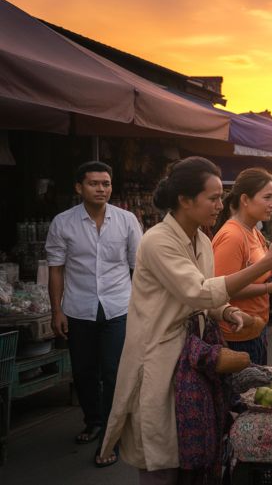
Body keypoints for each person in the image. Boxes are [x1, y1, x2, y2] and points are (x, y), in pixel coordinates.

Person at [101, 157, 272, 483]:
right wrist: (268, 264)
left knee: (194, 455)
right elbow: (197, 292)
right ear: (185, 200)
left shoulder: (203, 241)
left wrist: (226, 311)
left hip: (192, 358)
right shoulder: (157, 241)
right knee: (162, 460)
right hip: (160, 359)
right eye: (213, 198)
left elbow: (205, 295)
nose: (220, 205)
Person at [46, 161, 143, 467]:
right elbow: (56, 269)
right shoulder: (63, 223)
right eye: (94, 184)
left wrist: (142, 309)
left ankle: (111, 436)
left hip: (118, 307)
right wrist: (57, 311)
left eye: (106, 184)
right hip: (79, 309)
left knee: (113, 371)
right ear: (79, 187)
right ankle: (94, 421)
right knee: (84, 372)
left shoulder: (127, 221)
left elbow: (139, 269)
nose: (101, 189)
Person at [212, 168, 272, 364]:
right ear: (245, 199)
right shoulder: (232, 236)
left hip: (256, 329)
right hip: (236, 335)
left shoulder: (254, 232)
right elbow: (221, 291)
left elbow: (256, 272)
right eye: (267, 197)